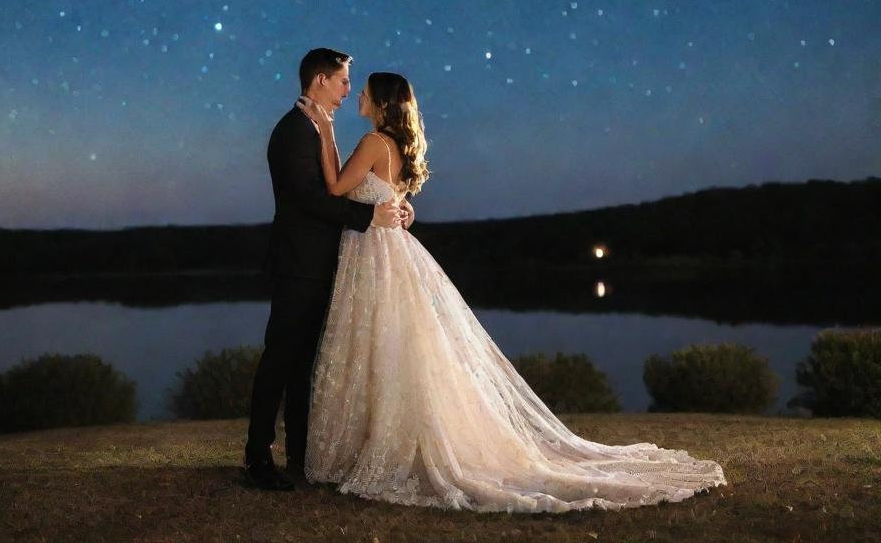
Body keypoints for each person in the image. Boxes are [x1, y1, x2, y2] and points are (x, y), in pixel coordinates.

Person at [298, 71, 727, 514]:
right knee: (395, 346)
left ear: (383, 103)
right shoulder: (399, 147)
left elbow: (335, 187)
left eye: (365, 92)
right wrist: (403, 209)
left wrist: (326, 130)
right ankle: (390, 436)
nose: (359, 97)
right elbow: (394, 197)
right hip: (393, 252)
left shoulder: (373, 144)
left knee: (379, 344)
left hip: (375, 253)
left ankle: (385, 443)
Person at [243, 49, 408, 491]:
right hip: (298, 263)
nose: (347, 92)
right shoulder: (293, 131)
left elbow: (344, 188)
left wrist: (391, 205)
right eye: (341, 82)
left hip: (329, 263)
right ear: (320, 79)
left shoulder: (320, 127)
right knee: (279, 358)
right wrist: (367, 218)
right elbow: (310, 199)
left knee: (305, 364)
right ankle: (257, 457)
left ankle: (301, 455)